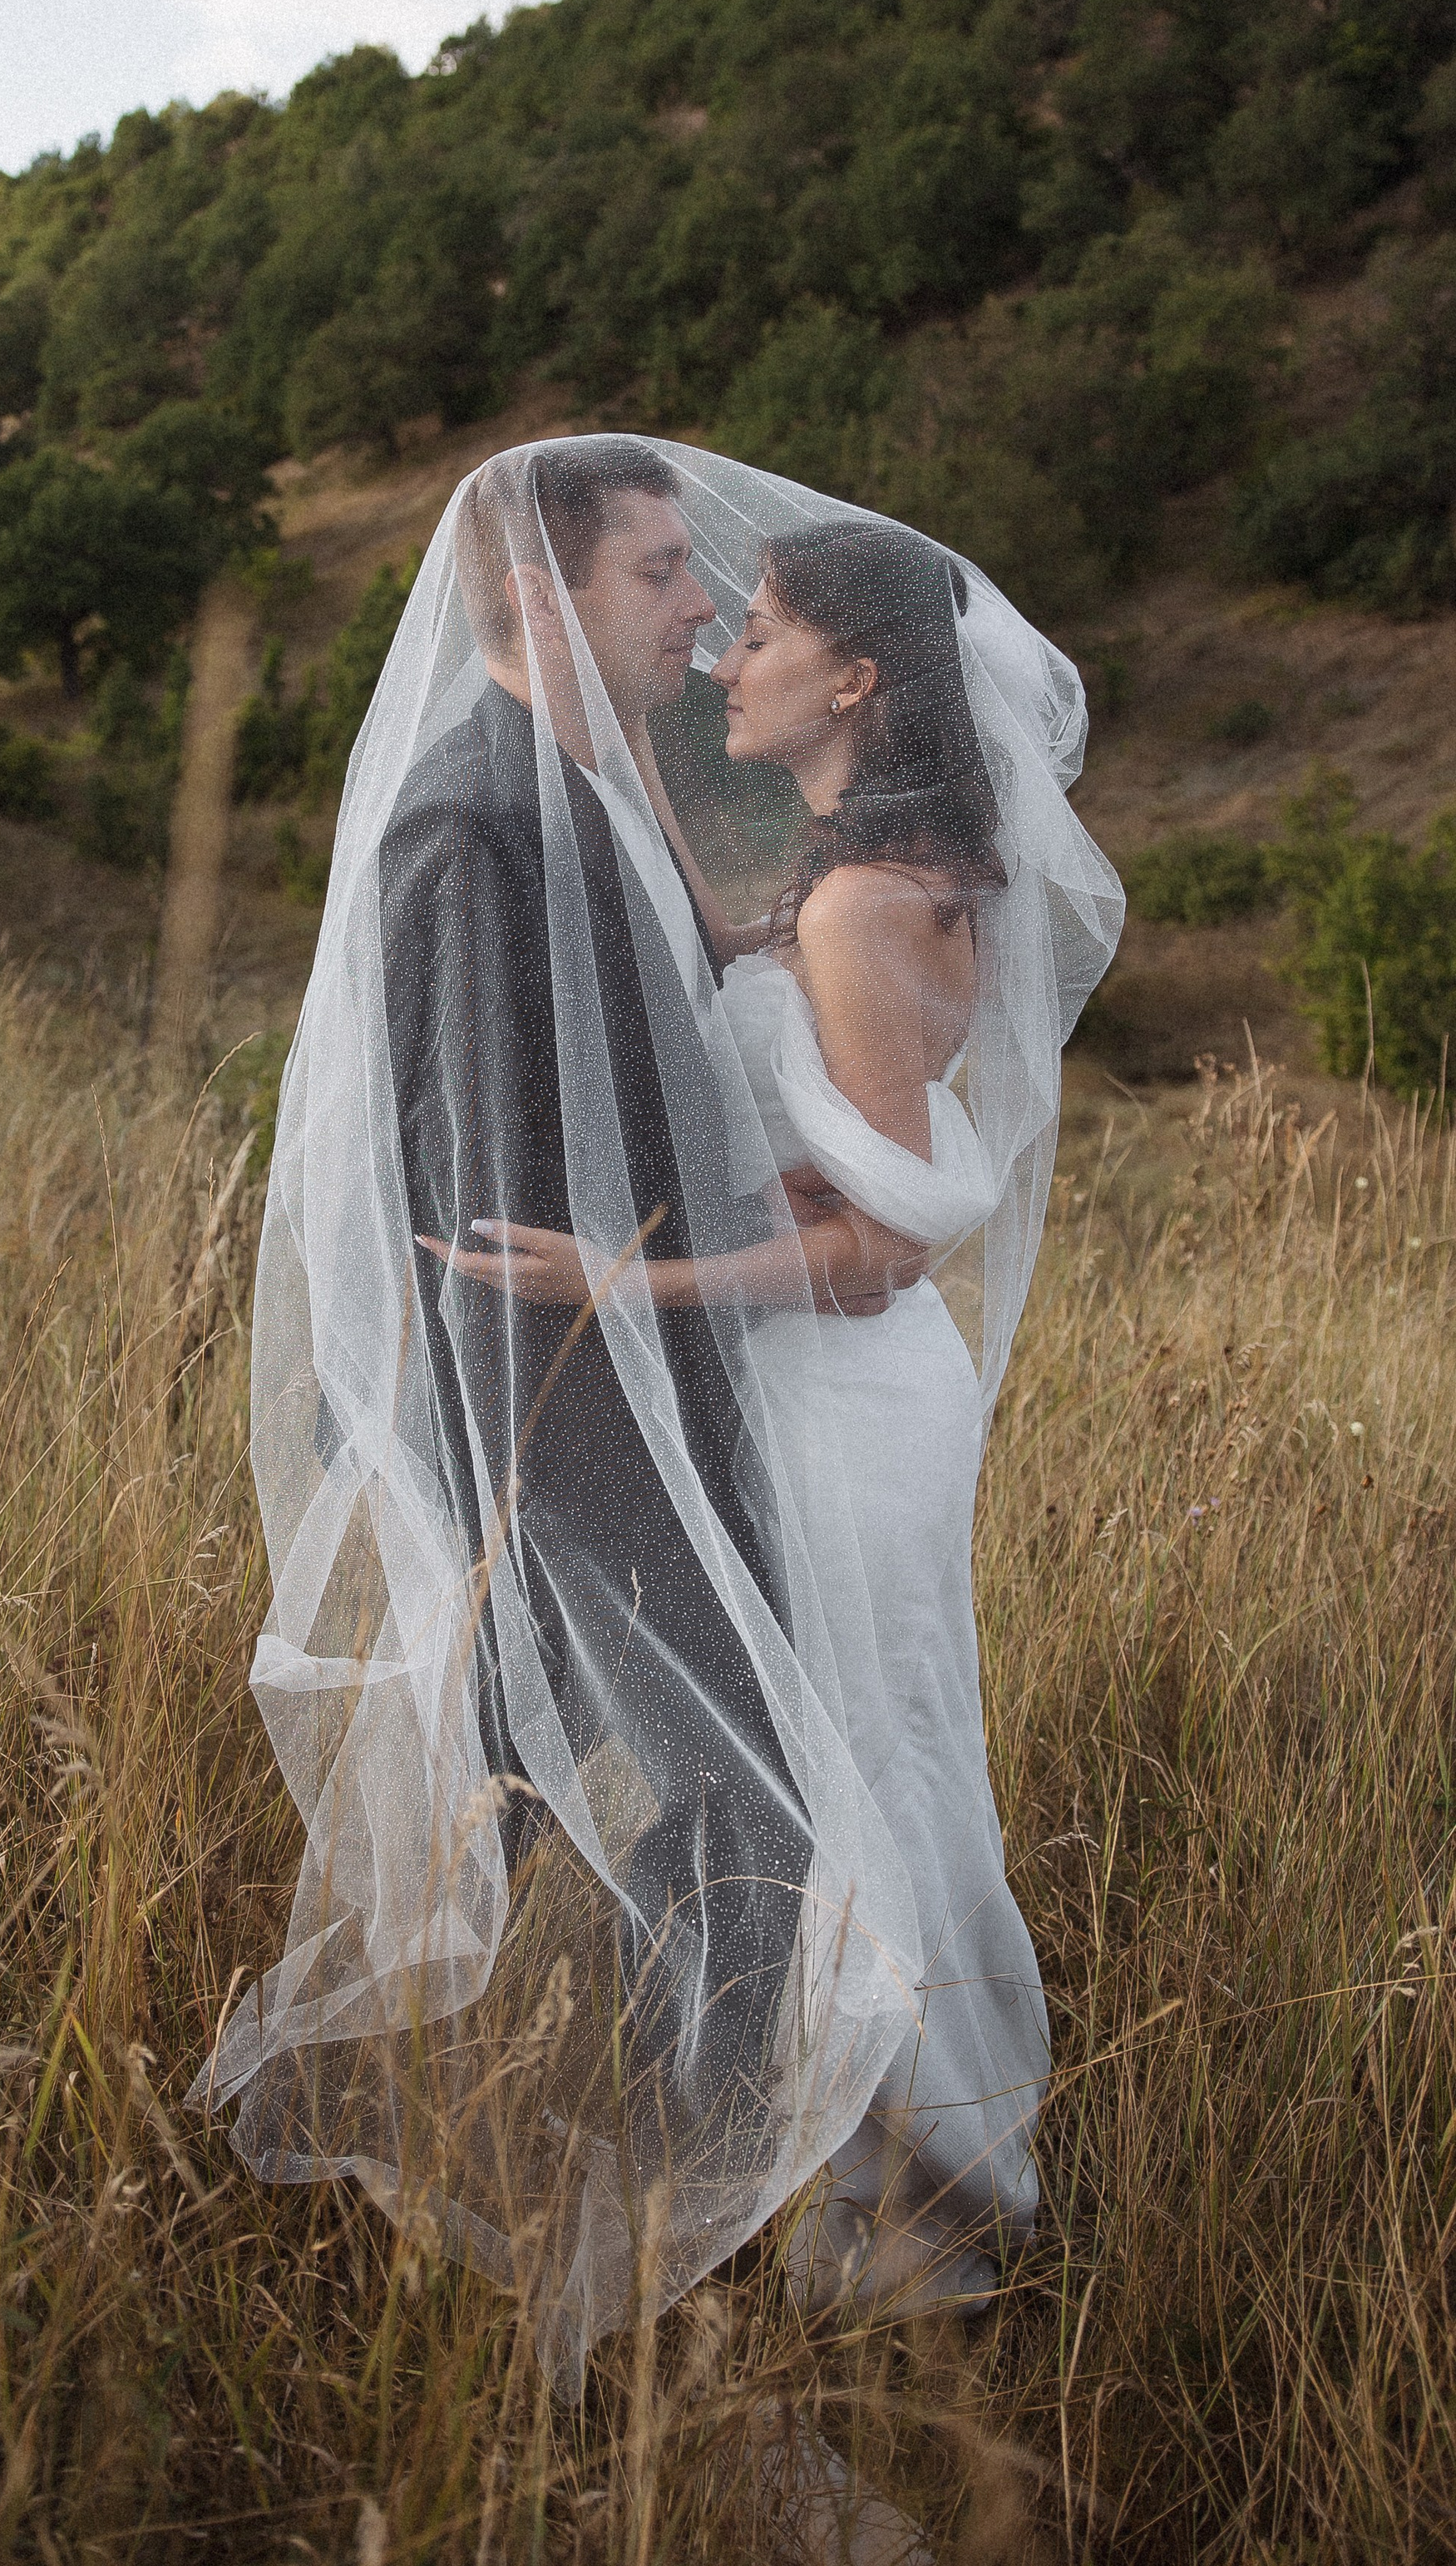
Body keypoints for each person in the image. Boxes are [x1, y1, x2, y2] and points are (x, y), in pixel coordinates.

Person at [194, 439, 1119, 2385]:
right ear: (542, 599)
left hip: (805, 1383)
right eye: (665, 578)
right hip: (649, 1420)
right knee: (786, 1798)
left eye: (742, 609)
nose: (706, 622)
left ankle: (879, 2221)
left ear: (854, 678)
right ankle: (779, 2206)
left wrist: (644, 1277)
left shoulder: (820, 881)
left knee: (832, 1788)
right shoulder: (497, 824)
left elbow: (875, 1230)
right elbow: (490, 1192)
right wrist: (528, 1458)